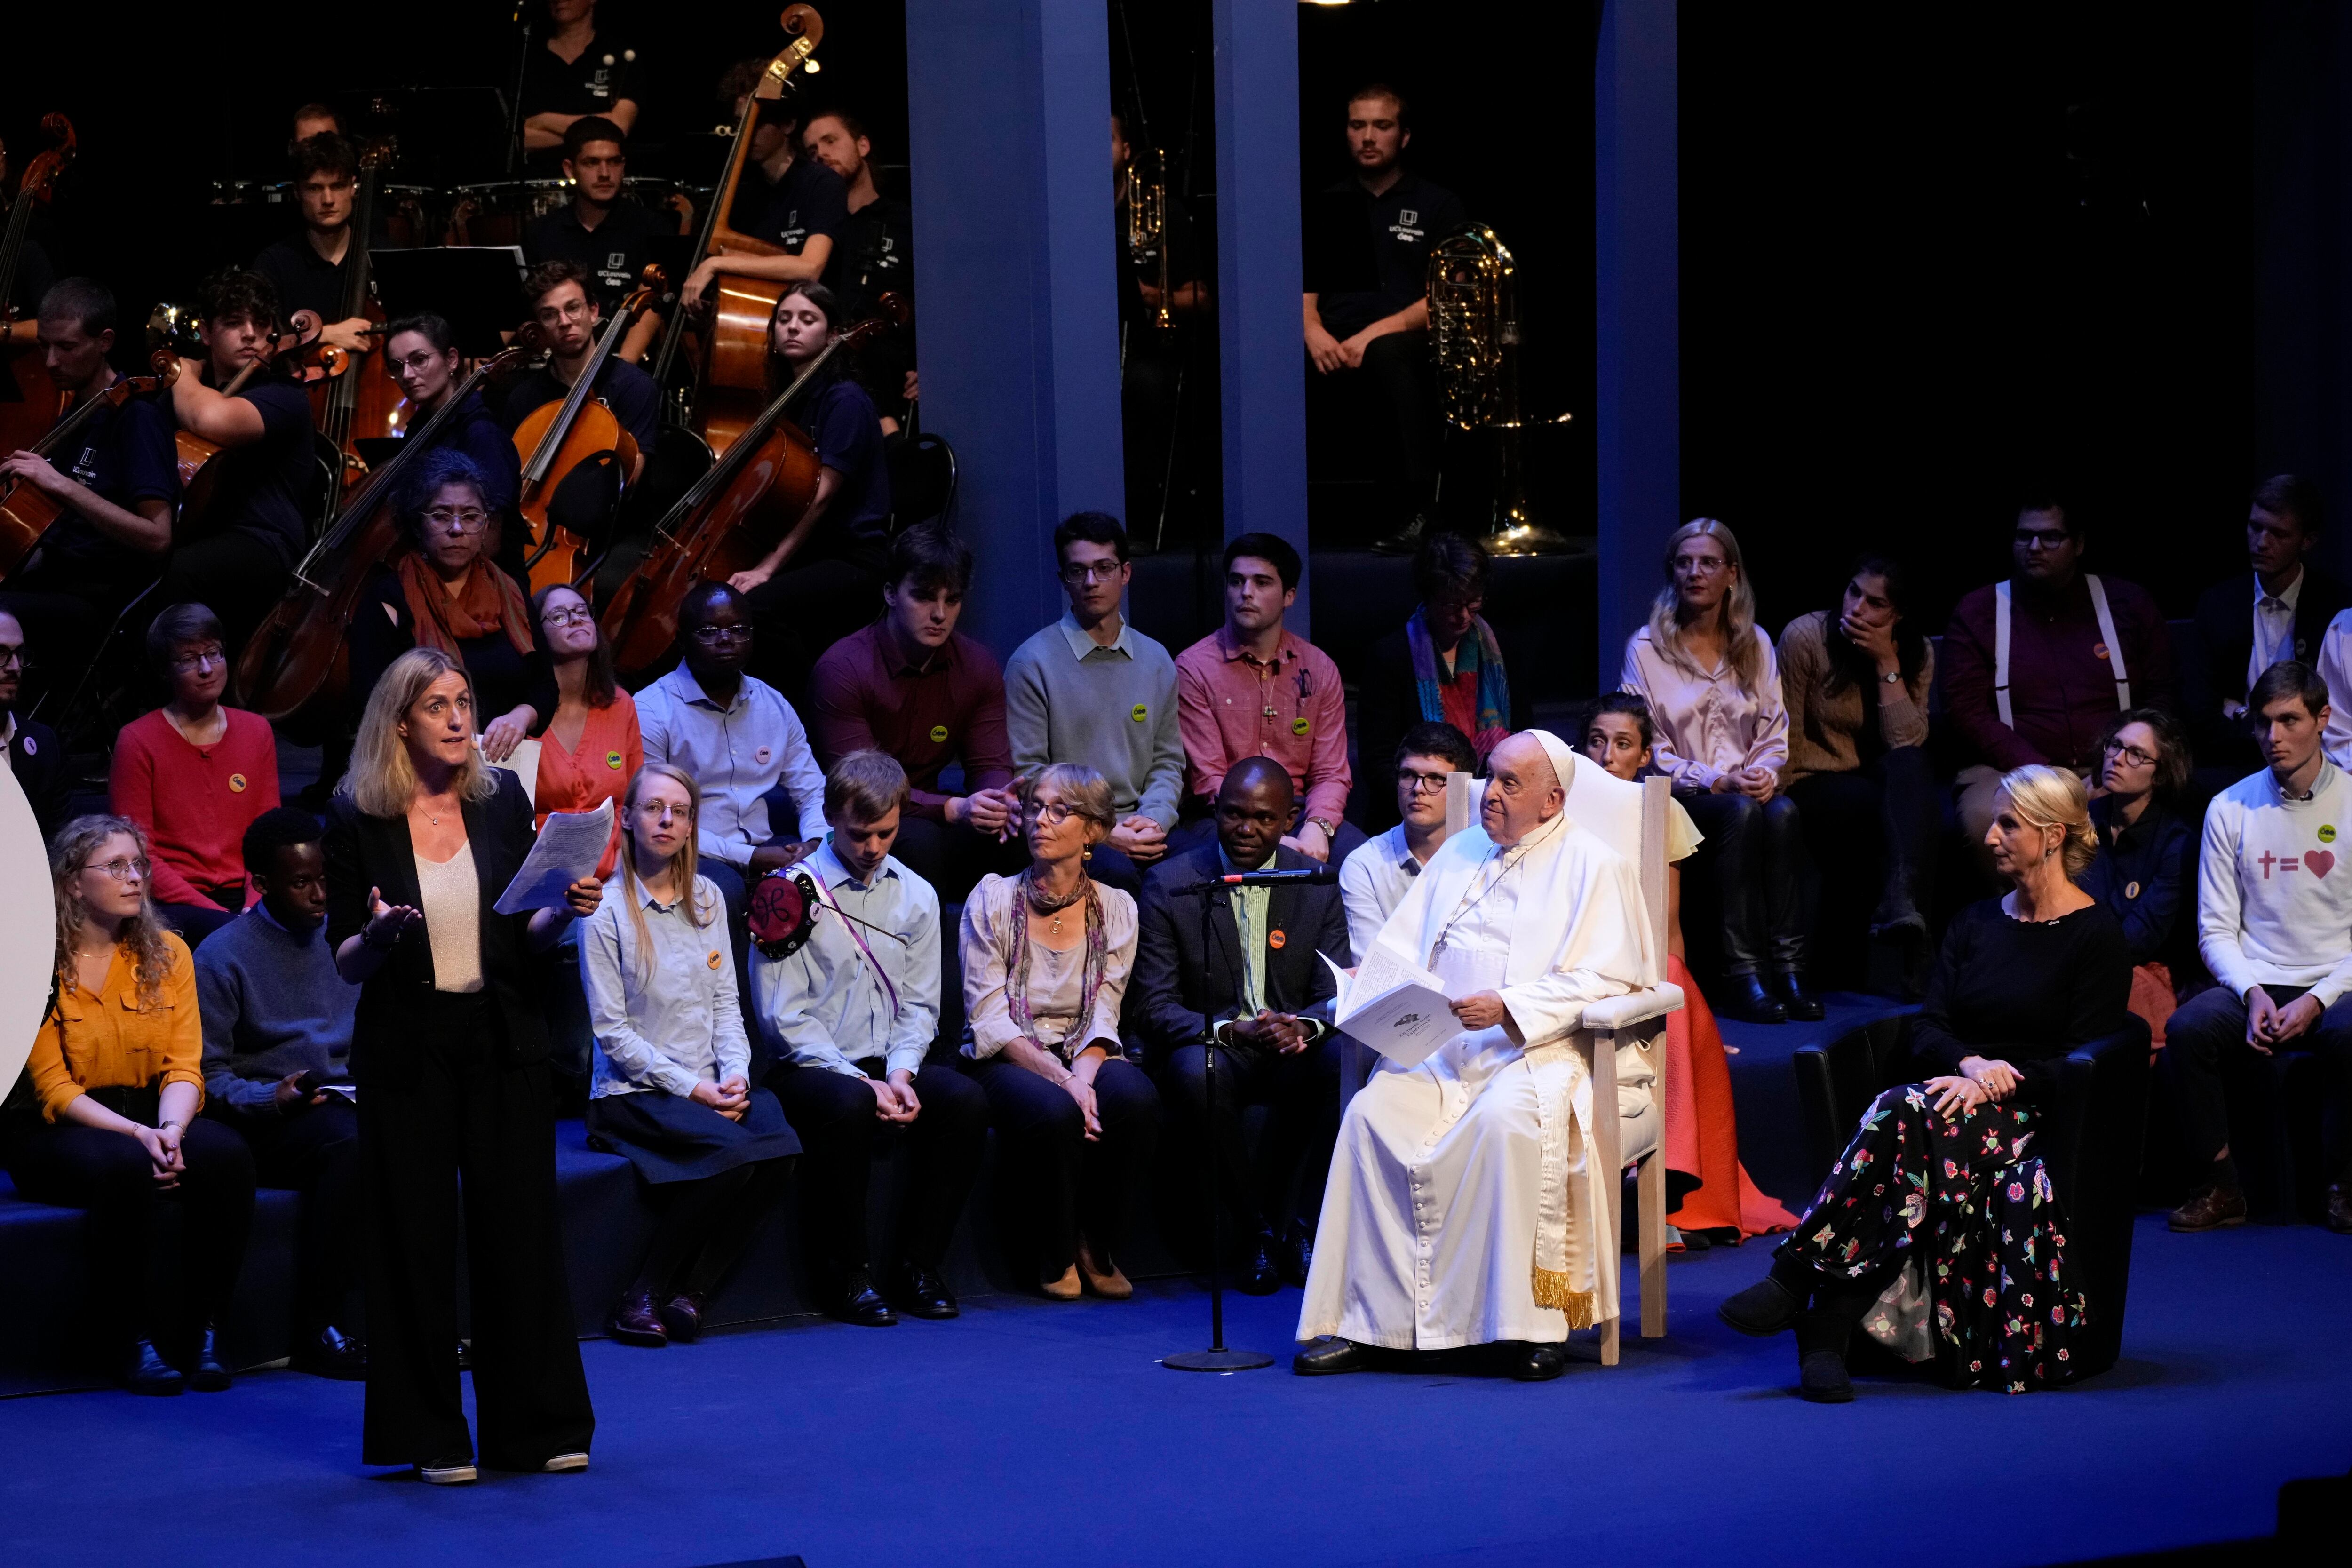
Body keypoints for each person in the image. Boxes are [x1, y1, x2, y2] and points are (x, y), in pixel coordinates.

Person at [1717, 765, 2129, 1401]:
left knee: (1901, 1110)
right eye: (1994, 820)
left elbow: (2085, 1062)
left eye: (2008, 824)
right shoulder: (1974, 922)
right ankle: (1823, 1317)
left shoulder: (2097, 936)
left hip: (2030, 1114)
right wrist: (1968, 1066)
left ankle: (1808, 1290)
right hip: (1948, 1103)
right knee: (1911, 1113)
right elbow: (1929, 1026)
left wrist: (1998, 1084)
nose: (1990, 835)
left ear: (2052, 836)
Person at [1294, 731, 1659, 1382]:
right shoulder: (1460, 852)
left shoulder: (1596, 866)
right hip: (1440, 1050)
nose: (1488, 793)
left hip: (1541, 1051)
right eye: (1490, 777)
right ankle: (1365, 1323)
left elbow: (1611, 980)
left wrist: (1511, 1006)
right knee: (1372, 1116)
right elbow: (1401, 951)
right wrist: (1374, 994)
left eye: (1508, 784)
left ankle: (1525, 1328)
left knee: (1505, 1125)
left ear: (1551, 801)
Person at [325, 646, 601, 1483]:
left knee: (519, 1231)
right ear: (401, 721)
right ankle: (432, 1431)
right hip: (409, 1043)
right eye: (438, 704)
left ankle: (537, 1424)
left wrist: (562, 906)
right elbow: (344, 956)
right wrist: (377, 935)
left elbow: (523, 931)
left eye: (464, 700)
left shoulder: (502, 798)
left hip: (501, 1034)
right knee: (414, 1236)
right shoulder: (355, 813)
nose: (458, 717)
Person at [10, 816, 256, 1394]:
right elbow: (54, 1088)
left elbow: (184, 1065)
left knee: (226, 1156)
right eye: (115, 866)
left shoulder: (168, 952)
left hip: (153, 1109)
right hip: (62, 1126)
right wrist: (139, 1137)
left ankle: (209, 1333)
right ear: (72, 882)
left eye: (138, 865)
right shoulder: (34, 959)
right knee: (122, 1169)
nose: (134, 877)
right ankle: (134, 1339)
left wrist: (169, 1129)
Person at [754, 751, 990, 1324]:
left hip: (885, 1064)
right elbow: (782, 1018)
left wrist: (902, 1074)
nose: (873, 847)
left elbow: (920, 1003)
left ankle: (919, 1266)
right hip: (811, 1068)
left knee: (963, 1100)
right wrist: (863, 1080)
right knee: (849, 1104)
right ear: (833, 817)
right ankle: (848, 1273)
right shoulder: (786, 891)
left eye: (885, 833)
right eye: (860, 834)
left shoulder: (916, 895)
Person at [580, 762, 797, 1347]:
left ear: (691, 825)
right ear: (628, 818)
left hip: (706, 1084)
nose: (666, 820)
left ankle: (691, 1292)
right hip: (634, 1092)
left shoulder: (708, 896)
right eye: (653, 808)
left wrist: (733, 1076)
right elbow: (613, 1035)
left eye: (678, 811)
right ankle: (639, 1296)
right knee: (733, 1153)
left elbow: (727, 1002)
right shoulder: (604, 912)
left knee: (779, 1146)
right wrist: (695, 1091)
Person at [1583, 694, 1797, 1246]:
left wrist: (1682, 1002)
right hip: (1578, 966)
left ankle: (1667, 1194)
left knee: (1670, 984)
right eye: (1596, 742)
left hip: (1640, 966)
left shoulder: (1660, 810)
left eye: (1622, 744)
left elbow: (1669, 924)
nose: (1607, 755)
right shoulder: (1564, 808)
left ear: (1646, 755)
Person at [1133, 758, 1350, 1293]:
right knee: (1194, 1072)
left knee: (1347, 1061)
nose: (1246, 829)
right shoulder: (1171, 884)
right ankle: (1255, 1231)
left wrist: (1301, 1027)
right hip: (1217, 1042)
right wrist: (1230, 1030)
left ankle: (1298, 1226)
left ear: (1289, 819)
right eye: (1233, 815)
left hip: (1287, 1045)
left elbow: (1336, 995)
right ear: (1215, 811)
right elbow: (1154, 1006)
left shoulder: (1315, 882)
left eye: (1263, 818)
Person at [2163, 661, 2352, 1235]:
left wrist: (2317, 999)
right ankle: (2220, 1187)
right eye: (2263, 723)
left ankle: (2344, 1185)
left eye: (2289, 720)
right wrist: (2249, 992)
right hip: (2258, 978)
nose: (2273, 738)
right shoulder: (2229, 807)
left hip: (2338, 980)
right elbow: (2214, 930)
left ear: (2322, 719)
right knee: (2187, 1030)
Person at [959, 764, 1160, 1298]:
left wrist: (1085, 1076)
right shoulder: (993, 899)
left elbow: (1105, 1010)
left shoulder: (1117, 908)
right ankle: (1055, 1251)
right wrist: (1066, 1082)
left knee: (1135, 1100)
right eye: (1034, 808)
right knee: (1052, 1111)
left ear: (1092, 831)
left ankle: (1098, 1244)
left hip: (1084, 1050)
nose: (1039, 821)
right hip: (1010, 1055)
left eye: (1059, 811)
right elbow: (988, 1017)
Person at [193, 806, 367, 1379]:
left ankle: (419, 1323)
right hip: (267, 1114)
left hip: (345, 1094)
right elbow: (209, 1076)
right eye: (301, 882)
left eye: (325, 878)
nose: (320, 894)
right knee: (350, 1145)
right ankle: (319, 1329)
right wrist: (274, 1099)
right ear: (262, 884)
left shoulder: (346, 939)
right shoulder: (221, 956)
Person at [1620, 517, 1816, 1024]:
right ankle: (1741, 975)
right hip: (1679, 792)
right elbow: (1646, 743)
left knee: (1783, 813)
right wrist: (1713, 779)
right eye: (1684, 563)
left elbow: (1774, 729)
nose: (1694, 573)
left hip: (1743, 790)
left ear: (1731, 573)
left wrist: (1764, 772)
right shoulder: (1645, 648)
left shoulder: (1754, 644)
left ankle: (1789, 970)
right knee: (1739, 814)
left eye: (1707, 563)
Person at [1942, 498, 2176, 866]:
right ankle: (2018, 918)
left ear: (2078, 544)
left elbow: (2162, 695)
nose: (2035, 548)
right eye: (2025, 536)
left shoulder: (2127, 604)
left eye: (2050, 537)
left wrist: (2123, 760)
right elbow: (1965, 710)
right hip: (2011, 767)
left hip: (2115, 762)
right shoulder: (1980, 611)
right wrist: (2042, 772)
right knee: (1989, 821)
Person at [807, 524, 1018, 896]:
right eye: (923, 597)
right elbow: (864, 787)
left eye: (952, 600)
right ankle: (920, 954)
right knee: (919, 842)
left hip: (937, 812)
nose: (940, 614)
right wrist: (951, 808)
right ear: (890, 594)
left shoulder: (977, 665)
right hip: (865, 820)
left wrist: (996, 802)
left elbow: (990, 765)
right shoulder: (843, 668)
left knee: (1020, 835)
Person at [1301, 84, 1464, 553]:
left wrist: (1369, 335)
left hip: (1406, 338)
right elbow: (1304, 285)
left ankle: (1420, 512)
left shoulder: (1437, 204)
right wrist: (1312, 331)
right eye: (1357, 126)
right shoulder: (1330, 200)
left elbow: (1446, 296)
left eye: (1381, 126)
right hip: (1331, 338)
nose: (1367, 137)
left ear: (1404, 137)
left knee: (1389, 353)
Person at [0, 279, 175, 683]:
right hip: (51, 581)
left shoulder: (137, 418)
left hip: (94, 601)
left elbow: (157, 537)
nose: (49, 362)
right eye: (45, 345)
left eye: (66, 347)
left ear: (105, 341)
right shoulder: (78, 412)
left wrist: (60, 484)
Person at [724, 282, 893, 695]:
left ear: (832, 335)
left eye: (807, 319)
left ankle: (811, 708)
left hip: (853, 557)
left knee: (754, 608)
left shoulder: (846, 401)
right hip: (810, 551)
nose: (792, 328)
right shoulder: (787, 402)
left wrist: (766, 568)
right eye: (784, 319)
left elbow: (820, 498)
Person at [1002, 512, 1184, 892]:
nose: (1091, 582)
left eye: (1104, 568)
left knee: (1198, 867)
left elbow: (1168, 761)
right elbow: (1032, 775)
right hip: (1068, 827)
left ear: (1126, 573)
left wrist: (1154, 822)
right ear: (1063, 580)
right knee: (1118, 874)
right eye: (1077, 571)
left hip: (1141, 823)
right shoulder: (1032, 662)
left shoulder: (1155, 660)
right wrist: (1102, 831)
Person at [635, 582, 827, 931]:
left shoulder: (773, 704)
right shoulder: (651, 709)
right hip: (687, 851)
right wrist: (749, 858)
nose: (726, 639)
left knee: (823, 872)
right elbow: (655, 817)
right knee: (725, 890)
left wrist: (815, 842)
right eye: (710, 631)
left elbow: (812, 789)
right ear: (681, 640)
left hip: (766, 844)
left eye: (738, 629)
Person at [345, 450, 550, 763]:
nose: (457, 529)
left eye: (470, 517)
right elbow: (372, 702)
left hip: (504, 763)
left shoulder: (513, 593)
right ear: (418, 524)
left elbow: (545, 686)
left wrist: (521, 717)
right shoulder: (389, 598)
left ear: (485, 527)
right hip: (416, 765)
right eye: (442, 516)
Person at [1777, 555, 1940, 947]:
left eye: (1875, 603)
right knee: (1907, 812)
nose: (1857, 608)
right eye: (1854, 592)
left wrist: (1887, 661)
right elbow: (1785, 734)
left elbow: (1907, 741)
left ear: (1897, 614)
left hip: (1876, 779)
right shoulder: (1806, 637)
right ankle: (1898, 913)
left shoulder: (1916, 653)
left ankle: (1902, 908)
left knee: (1914, 769)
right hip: (1809, 778)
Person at [1175, 532, 1359, 865]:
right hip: (1227, 815)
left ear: (1289, 595)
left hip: (1299, 810)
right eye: (1236, 582)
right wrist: (1273, 838)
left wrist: (1318, 825)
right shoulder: (1195, 667)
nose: (1246, 593)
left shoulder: (1318, 668)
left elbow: (1331, 772)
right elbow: (1209, 779)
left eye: (1262, 583)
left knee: (1362, 862)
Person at [156, 269, 317, 647]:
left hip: (266, 545)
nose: (250, 334)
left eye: (261, 324)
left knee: (183, 571)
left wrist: (182, 372)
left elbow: (215, 418)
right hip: (202, 532)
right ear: (207, 332)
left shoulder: (284, 395)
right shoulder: (191, 394)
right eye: (234, 323)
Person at [110, 603, 281, 947]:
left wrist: (251, 906)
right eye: (188, 660)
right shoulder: (138, 740)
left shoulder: (256, 731)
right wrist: (225, 921)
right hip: (175, 903)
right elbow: (141, 855)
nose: (206, 668)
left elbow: (269, 836)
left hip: (250, 895)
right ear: (165, 671)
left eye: (213, 654)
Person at [1357, 532, 1515, 828]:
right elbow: (1378, 759)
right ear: (1428, 598)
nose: (1464, 616)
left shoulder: (1502, 651)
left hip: (1490, 813)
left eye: (1474, 604)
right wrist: (1435, 807)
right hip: (1411, 816)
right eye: (1452, 605)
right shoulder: (1391, 656)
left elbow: (1522, 740)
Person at [2197, 477, 2344, 780]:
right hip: (2235, 760)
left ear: (2308, 540)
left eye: (2278, 533)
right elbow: (2200, 707)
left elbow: (2338, 710)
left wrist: (2242, 712)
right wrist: (2258, 729)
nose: (2262, 542)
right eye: (2255, 527)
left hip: (2320, 760)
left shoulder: (2336, 608)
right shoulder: (2218, 603)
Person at [2080, 708, 2197, 1047]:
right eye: (2116, 746)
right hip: (2085, 961)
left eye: (2136, 755)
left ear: (2159, 775)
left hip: (2149, 967)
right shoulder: (2082, 822)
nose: (2117, 759)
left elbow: (2142, 936)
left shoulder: (2177, 841)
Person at [382, 312, 527, 583]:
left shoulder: (483, 435)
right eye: (397, 366)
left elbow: (488, 546)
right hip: (437, 576)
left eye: (419, 360)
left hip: (483, 591)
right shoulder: (419, 429)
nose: (407, 375)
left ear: (451, 359)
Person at [682, 72, 846, 309]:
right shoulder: (740, 194)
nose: (745, 134)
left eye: (756, 124)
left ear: (788, 124)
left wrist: (716, 264)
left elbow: (810, 267)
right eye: (740, 124)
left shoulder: (822, 183)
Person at [1111, 108, 1201, 537]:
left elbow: (1202, 297)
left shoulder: (1164, 211)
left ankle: (1140, 517)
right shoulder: (1069, 214)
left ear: (1126, 150)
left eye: (1106, 140)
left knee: (1143, 386)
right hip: (1093, 345)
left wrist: (1151, 296)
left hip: (1149, 345)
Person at [803, 109, 916, 429]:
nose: (821, 155)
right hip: (827, 372)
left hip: (893, 373)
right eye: (812, 151)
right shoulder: (820, 233)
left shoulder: (907, 223)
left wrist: (931, 366)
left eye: (830, 141)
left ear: (862, 146)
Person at [500, 261, 659, 487]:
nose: (564, 322)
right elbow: (508, 482)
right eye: (549, 315)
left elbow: (628, 481)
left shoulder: (634, 387)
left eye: (573, 308)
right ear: (538, 326)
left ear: (593, 311)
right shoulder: (523, 399)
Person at [522, 117, 667, 360]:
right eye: (592, 163)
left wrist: (622, 372)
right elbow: (525, 309)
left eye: (613, 162)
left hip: (622, 361)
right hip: (555, 363)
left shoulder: (651, 228)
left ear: (623, 165)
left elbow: (652, 307)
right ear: (570, 169)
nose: (604, 173)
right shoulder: (542, 231)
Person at [1341, 721, 1476, 962]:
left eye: (1435, 778)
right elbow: (1373, 968)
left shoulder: (1487, 856)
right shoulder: (1364, 866)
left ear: (1463, 787)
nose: (1418, 789)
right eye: (1408, 775)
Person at [529, 581, 641, 828]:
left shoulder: (621, 704)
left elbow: (635, 801)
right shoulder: (524, 714)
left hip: (615, 862)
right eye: (558, 616)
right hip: (541, 861)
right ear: (536, 633)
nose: (575, 620)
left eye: (581, 612)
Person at [252, 134, 375, 355]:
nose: (328, 200)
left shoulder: (382, 255)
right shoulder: (274, 264)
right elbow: (260, 344)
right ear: (297, 192)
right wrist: (324, 335)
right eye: (315, 188)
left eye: (338, 186)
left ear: (353, 188)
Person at [521, 0, 641, 157]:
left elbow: (619, 127)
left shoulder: (620, 55)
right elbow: (516, 139)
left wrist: (544, 121)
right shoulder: (527, 56)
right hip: (537, 175)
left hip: (600, 173)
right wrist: (594, 134)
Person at [0, 609, 71, 842]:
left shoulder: (43, 743)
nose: (14, 667)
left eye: (19, 654)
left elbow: (61, 846)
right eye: (0, 654)